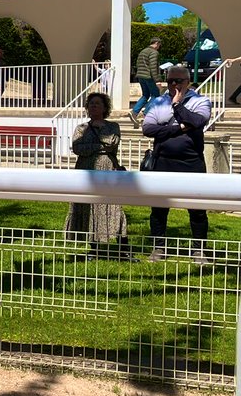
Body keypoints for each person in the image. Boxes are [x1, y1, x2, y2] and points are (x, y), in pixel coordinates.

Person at [142, 65, 212, 264]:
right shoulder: (157, 102)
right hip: (162, 161)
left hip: (192, 162)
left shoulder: (201, 101)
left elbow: (198, 121)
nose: (174, 84)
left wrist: (177, 106)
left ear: (187, 82)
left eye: (178, 81)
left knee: (197, 209)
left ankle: (199, 251)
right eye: (171, 80)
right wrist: (180, 128)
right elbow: (147, 128)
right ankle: (158, 248)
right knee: (158, 209)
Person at [63, 92, 128, 255]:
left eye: (98, 103)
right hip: (86, 170)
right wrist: (99, 147)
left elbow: (112, 143)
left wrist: (97, 137)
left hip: (108, 169)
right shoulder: (81, 128)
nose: (94, 106)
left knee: (114, 206)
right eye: (91, 103)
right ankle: (94, 247)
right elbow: (78, 148)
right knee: (90, 206)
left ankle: (124, 248)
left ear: (105, 107)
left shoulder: (113, 126)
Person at [129, 38, 161, 126]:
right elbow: (153, 66)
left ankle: (134, 112)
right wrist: (157, 80)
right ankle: (146, 114)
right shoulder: (154, 52)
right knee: (156, 95)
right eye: (159, 45)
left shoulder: (142, 51)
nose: (159, 47)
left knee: (145, 95)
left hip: (140, 76)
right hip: (149, 77)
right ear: (157, 43)